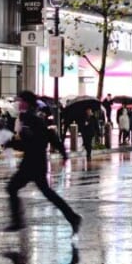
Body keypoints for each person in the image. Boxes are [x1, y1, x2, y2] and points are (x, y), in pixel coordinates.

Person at [5, 90, 81, 235]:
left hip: (33, 164)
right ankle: (72, 217)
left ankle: (18, 221)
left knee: (13, 188)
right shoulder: (31, 117)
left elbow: (34, 142)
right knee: (47, 193)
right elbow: (48, 136)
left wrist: (12, 144)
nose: (18, 103)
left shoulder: (30, 119)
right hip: (35, 163)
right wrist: (63, 153)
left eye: (21, 101)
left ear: (26, 103)